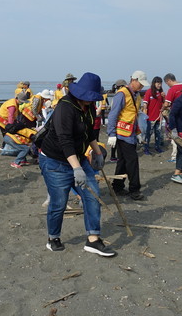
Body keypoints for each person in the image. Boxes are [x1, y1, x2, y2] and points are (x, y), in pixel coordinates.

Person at [39, 72, 116, 256]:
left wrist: (97, 153)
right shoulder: (64, 108)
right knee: (59, 202)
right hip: (54, 161)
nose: (90, 100)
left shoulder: (88, 107)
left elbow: (89, 134)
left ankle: (93, 240)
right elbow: (64, 140)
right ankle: (53, 237)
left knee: (93, 196)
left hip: (79, 158)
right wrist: (76, 168)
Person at [107, 71, 150, 201]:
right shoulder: (122, 94)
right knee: (132, 161)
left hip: (130, 133)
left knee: (123, 161)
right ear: (133, 80)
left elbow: (134, 116)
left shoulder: (136, 96)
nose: (142, 87)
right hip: (122, 134)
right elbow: (113, 114)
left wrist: (138, 133)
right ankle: (134, 189)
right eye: (140, 84)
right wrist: (111, 134)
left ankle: (117, 187)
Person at [141, 76, 165, 155]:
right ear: (154, 83)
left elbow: (164, 104)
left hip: (158, 117)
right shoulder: (149, 92)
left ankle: (157, 147)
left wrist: (164, 97)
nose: (159, 85)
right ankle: (146, 148)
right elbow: (145, 104)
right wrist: (144, 116)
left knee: (158, 133)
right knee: (148, 134)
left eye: (160, 83)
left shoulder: (161, 93)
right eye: (158, 83)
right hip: (150, 118)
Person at [108, 79, 127, 162]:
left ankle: (113, 156)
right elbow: (114, 112)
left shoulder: (117, 95)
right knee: (115, 140)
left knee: (115, 141)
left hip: (116, 120)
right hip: (117, 121)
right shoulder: (120, 95)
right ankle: (113, 156)